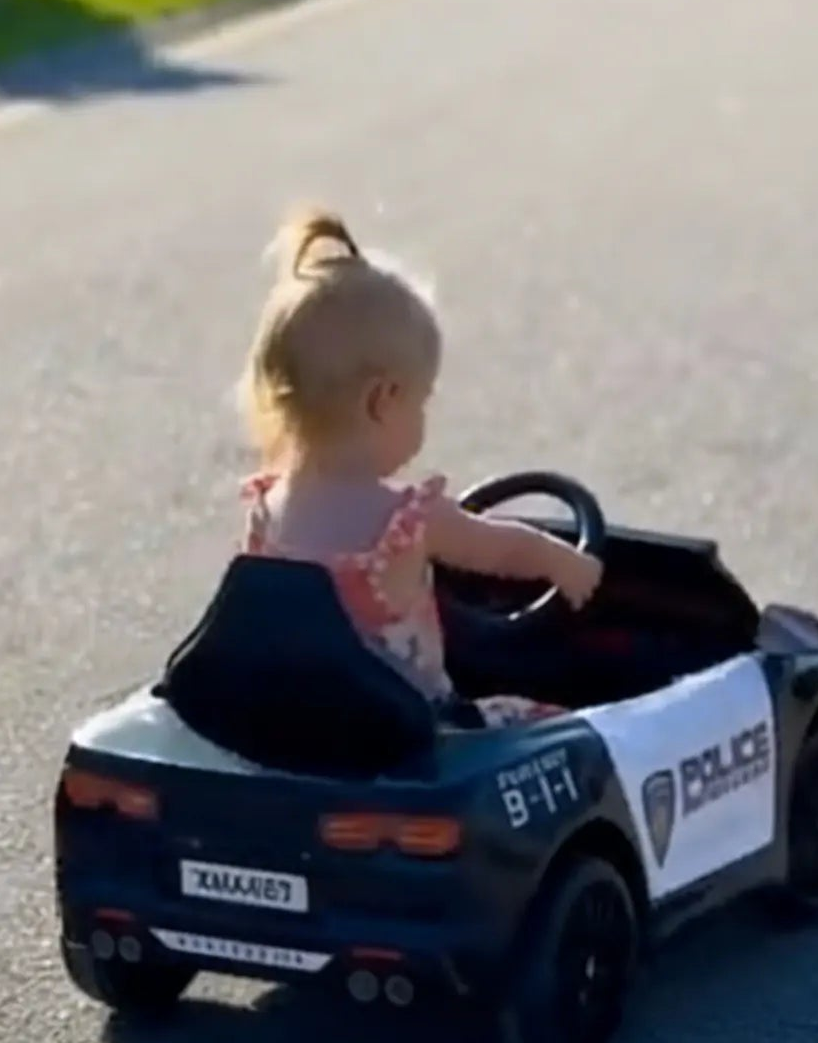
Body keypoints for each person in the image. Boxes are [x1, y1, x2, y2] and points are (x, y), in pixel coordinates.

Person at [235, 205, 603, 726]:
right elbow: (503, 550)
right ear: (384, 400)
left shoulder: (265, 509)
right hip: (406, 732)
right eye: (421, 401)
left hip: (297, 726)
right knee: (556, 728)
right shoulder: (407, 523)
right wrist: (565, 563)